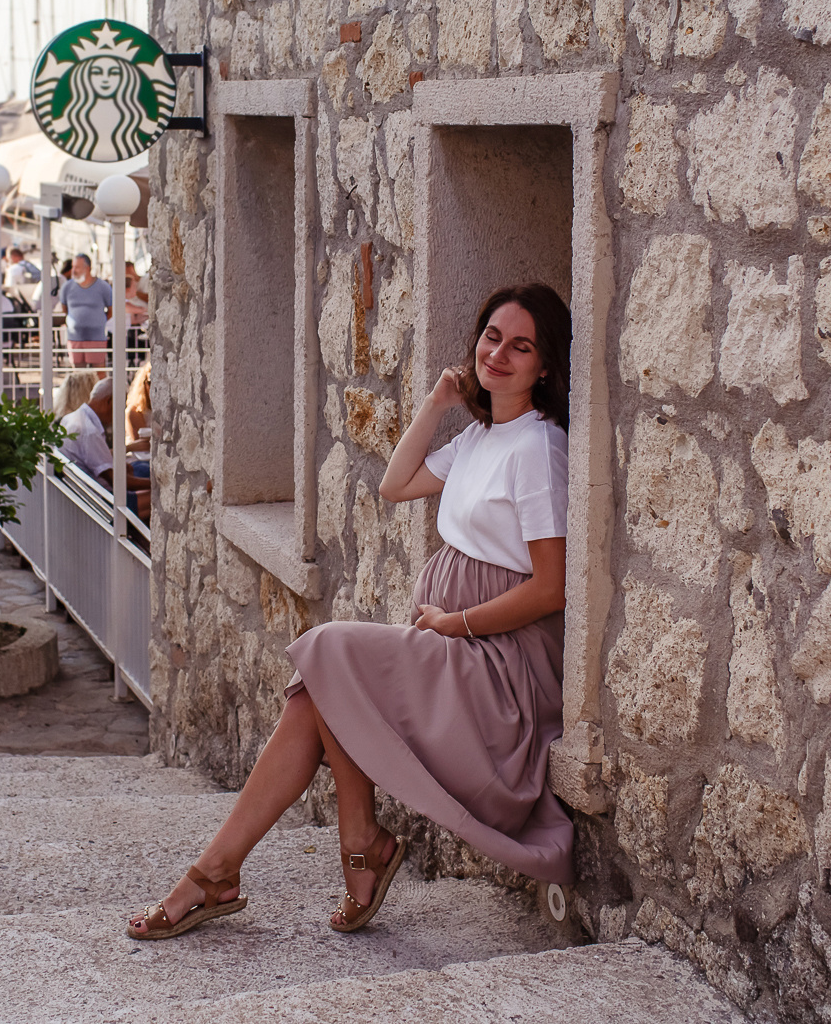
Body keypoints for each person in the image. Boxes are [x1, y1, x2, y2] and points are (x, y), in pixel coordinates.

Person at [126, 282, 573, 941]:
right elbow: (396, 484)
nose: (499, 353)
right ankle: (286, 860)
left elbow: (550, 587)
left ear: (545, 365)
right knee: (318, 691)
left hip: (500, 663)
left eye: (521, 345)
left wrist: (458, 622)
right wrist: (437, 400)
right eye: (491, 336)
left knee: (329, 652)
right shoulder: (483, 436)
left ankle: (317, 853)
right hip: (454, 645)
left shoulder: (539, 448)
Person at [58, 376, 150, 519]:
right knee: (164, 493)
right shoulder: (89, 431)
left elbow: (95, 457)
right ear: (109, 402)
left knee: (140, 469)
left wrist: (128, 451)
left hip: (83, 493)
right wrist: (158, 484)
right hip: (101, 504)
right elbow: (119, 482)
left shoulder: (73, 418)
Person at [58, 253, 115, 369]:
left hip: (97, 338)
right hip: (74, 338)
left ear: (87, 268)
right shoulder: (67, 287)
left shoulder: (103, 286)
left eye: (77, 267)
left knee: (99, 372)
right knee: (78, 374)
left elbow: (111, 310)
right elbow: (65, 309)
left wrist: (97, 321)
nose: (74, 270)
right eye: (73, 266)